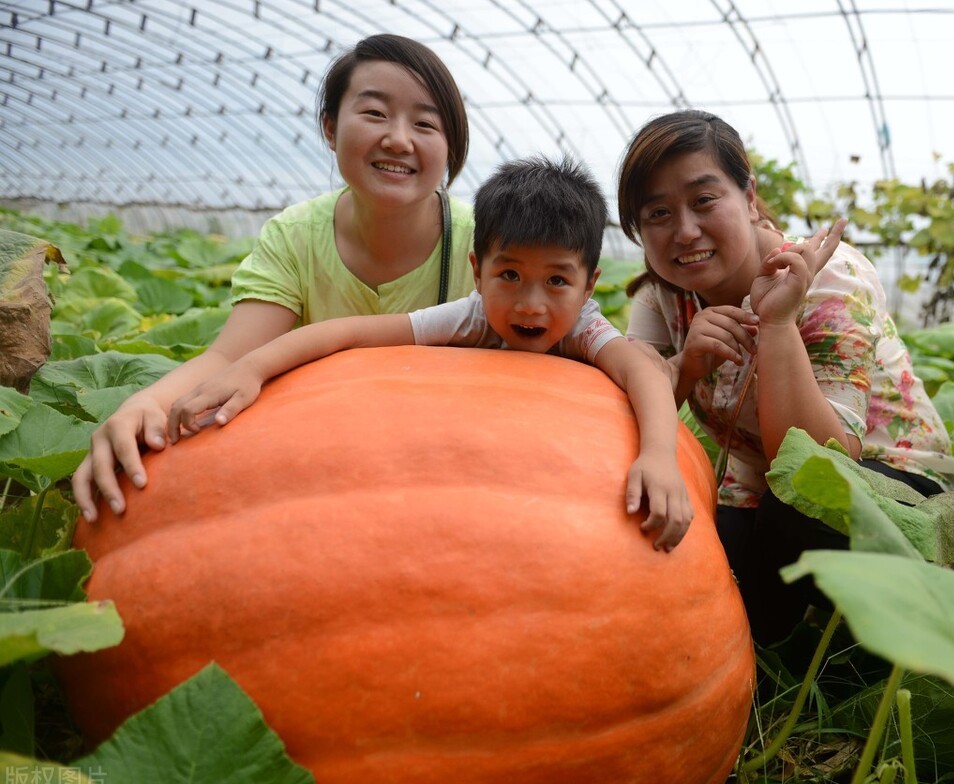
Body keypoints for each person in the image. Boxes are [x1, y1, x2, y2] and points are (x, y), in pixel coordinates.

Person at [168, 156, 694, 550]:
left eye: (557, 280)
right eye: (509, 275)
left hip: (568, 491)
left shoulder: (582, 326)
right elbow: (350, 332)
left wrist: (657, 456)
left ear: (588, 287)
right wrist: (253, 366)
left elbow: (641, 371)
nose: (530, 304)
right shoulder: (469, 316)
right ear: (477, 271)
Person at [72, 34, 476, 522]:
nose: (398, 138)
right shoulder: (295, 237)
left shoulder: (488, 246)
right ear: (330, 128)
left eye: (425, 123)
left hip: (446, 469)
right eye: (373, 113)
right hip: (315, 467)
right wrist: (146, 401)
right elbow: (229, 355)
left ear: (450, 145)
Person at [616, 110, 954, 643]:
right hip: (762, 492)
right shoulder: (662, 296)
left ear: (749, 194)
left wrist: (778, 322)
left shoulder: (829, 275)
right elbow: (623, 415)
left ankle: (890, 642)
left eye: (704, 200)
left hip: (895, 488)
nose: (685, 230)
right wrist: (687, 366)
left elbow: (824, 459)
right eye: (658, 213)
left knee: (797, 518)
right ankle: (802, 637)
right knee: (694, 560)